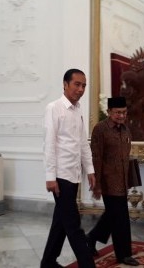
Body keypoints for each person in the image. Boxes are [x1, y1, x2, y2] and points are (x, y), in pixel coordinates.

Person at [40, 68, 96, 268]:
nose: (80, 89)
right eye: (77, 84)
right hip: (60, 176)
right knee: (73, 226)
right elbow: (49, 144)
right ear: (65, 84)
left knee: (60, 223)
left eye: (84, 86)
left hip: (74, 175)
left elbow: (82, 143)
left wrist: (90, 169)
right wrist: (50, 176)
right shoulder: (53, 108)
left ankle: (47, 263)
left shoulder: (79, 110)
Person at [86, 97, 140, 266]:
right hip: (108, 181)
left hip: (122, 182)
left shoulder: (125, 129)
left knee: (113, 215)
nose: (121, 116)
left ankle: (91, 238)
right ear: (109, 112)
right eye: (117, 112)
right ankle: (124, 255)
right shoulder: (100, 129)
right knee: (120, 218)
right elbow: (96, 157)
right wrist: (97, 184)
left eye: (124, 112)